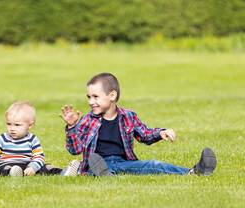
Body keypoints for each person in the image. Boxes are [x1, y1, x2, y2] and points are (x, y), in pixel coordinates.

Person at [59, 73, 217, 176]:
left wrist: (160, 133)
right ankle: (105, 175)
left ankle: (194, 172)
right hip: (98, 163)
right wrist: (72, 127)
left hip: (125, 163)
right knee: (96, 167)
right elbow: (75, 150)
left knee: (153, 164)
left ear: (112, 95)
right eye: (89, 97)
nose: (90, 102)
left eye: (95, 96)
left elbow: (145, 134)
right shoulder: (88, 119)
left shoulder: (128, 116)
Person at [0, 101, 80, 177]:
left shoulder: (32, 139)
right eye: (9, 124)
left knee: (46, 167)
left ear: (30, 125)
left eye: (17, 125)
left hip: (27, 166)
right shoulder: (2, 139)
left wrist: (33, 167)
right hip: (8, 165)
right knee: (4, 169)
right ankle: (12, 173)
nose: (12, 128)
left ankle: (63, 172)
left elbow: (38, 156)